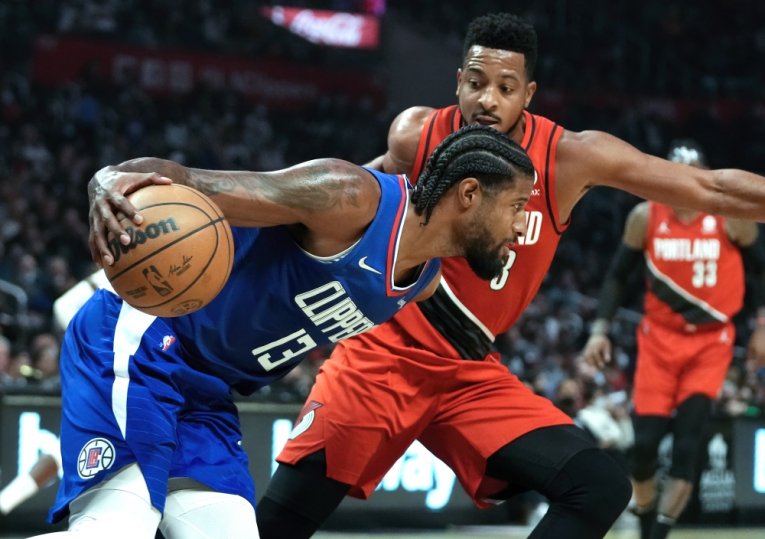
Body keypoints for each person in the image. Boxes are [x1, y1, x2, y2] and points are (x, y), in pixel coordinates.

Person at [256, 13, 765, 539]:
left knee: (599, 488)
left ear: (529, 94)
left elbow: (713, 191)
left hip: (469, 373)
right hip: (383, 358)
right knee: (277, 525)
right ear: (458, 82)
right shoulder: (417, 134)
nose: (487, 101)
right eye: (475, 84)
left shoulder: (569, 158)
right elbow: (338, 199)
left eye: (506, 87)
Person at [33, 124, 536, 539]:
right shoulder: (349, 197)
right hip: (145, 340)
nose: (520, 227)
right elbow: (186, 181)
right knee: (115, 530)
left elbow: (463, 344)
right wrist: (106, 181)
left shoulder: (423, 283)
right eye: (516, 206)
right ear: (470, 194)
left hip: (206, 393)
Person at [582, 140, 765, 539]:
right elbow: (616, 276)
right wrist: (600, 329)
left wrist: (762, 326)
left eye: (693, 173)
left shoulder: (731, 218)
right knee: (644, 447)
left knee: (687, 443)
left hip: (710, 342)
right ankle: (648, 520)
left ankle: (657, 534)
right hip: (658, 341)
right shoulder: (645, 216)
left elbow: (762, 271)